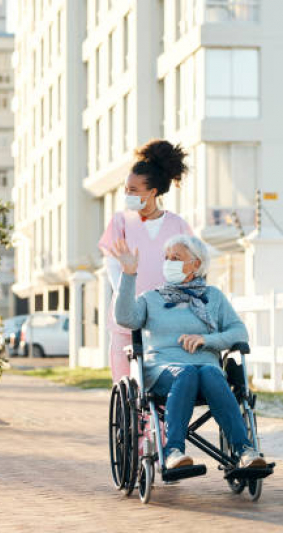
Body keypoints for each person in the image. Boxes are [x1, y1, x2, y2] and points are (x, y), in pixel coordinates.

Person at [110, 234, 268, 471]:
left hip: (206, 371)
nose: (169, 262)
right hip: (163, 370)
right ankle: (173, 451)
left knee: (211, 373)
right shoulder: (151, 299)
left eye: (176, 257)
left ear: (196, 264)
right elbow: (124, 317)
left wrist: (206, 339)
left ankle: (245, 450)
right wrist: (129, 273)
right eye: (167, 258)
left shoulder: (213, 297)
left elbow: (239, 333)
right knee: (186, 373)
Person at [98, 140, 193, 383]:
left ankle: (159, 422)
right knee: (126, 384)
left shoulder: (178, 225)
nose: (127, 195)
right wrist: (125, 296)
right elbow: (111, 263)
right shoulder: (121, 221)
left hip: (165, 320)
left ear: (152, 192)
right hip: (126, 319)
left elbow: (192, 267)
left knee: (162, 384)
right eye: (126, 189)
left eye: (134, 190)